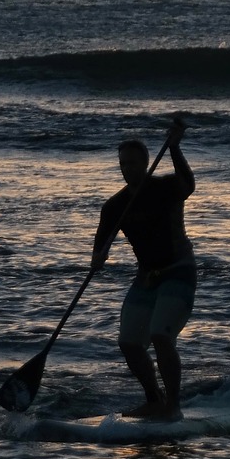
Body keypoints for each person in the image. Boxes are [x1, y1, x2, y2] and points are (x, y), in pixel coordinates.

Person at [92, 115, 196, 420]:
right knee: (128, 343)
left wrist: (175, 148)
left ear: (145, 162)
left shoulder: (165, 188)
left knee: (161, 336)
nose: (128, 169)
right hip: (146, 278)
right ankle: (154, 399)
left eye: (133, 163)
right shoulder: (115, 206)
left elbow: (188, 184)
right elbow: (99, 250)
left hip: (179, 270)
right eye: (123, 164)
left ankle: (173, 407)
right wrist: (97, 259)